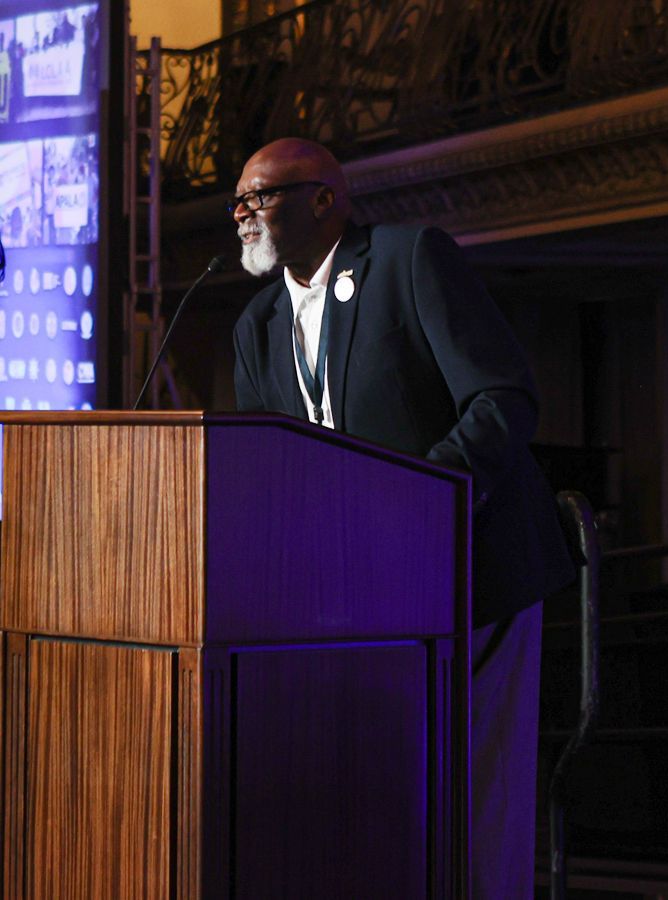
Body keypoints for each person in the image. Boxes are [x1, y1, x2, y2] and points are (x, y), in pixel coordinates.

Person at [232, 137, 574, 898]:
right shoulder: (256, 325)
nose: (243, 214)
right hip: (357, 594)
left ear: (325, 199)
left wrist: (423, 498)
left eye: (261, 197)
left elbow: (502, 398)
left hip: (475, 570)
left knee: (477, 791)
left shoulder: (408, 259)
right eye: (239, 203)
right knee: (388, 797)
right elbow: (270, 467)